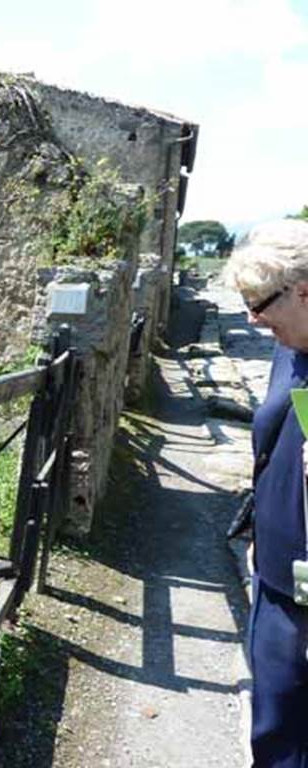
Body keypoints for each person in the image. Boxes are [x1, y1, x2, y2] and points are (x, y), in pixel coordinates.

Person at [223, 218, 308, 767]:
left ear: (305, 289)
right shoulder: (293, 347)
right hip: (278, 576)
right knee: (274, 728)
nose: (253, 319)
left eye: (260, 303)